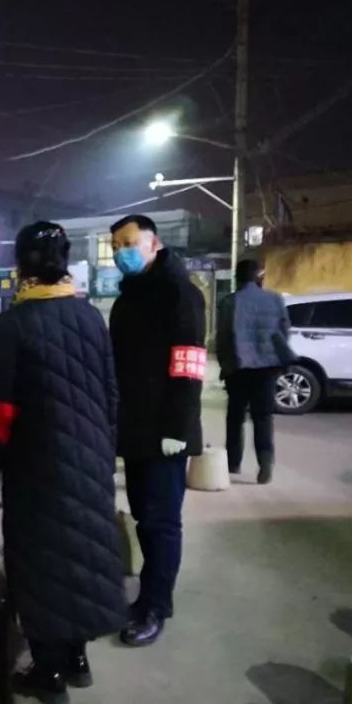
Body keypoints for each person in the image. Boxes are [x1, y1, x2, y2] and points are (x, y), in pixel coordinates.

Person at [0, 223, 127, 704]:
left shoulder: (14, 323)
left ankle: (49, 673)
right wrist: (102, 447)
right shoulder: (90, 316)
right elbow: (110, 392)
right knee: (83, 555)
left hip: (36, 463)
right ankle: (78, 659)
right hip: (90, 458)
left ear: (21, 265)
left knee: (40, 563)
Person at [109, 214, 206, 648]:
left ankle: (155, 606)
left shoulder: (179, 293)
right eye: (116, 245)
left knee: (162, 522)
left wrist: (177, 427)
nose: (121, 252)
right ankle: (147, 594)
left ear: (154, 243)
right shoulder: (129, 296)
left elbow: (189, 363)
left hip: (166, 432)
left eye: (129, 242)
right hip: (134, 428)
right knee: (144, 519)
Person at [215, 259, 294, 484]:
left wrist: (224, 364)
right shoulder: (275, 299)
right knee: (263, 417)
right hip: (267, 369)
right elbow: (284, 331)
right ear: (259, 277)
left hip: (238, 368)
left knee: (235, 417)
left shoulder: (229, 302)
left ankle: (233, 463)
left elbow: (223, 338)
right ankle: (265, 463)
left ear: (238, 278)